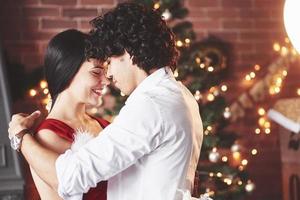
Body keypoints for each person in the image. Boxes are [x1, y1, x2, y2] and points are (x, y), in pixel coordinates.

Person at [8, 2, 203, 200]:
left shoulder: (151, 104)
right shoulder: (181, 94)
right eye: (97, 70)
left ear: (128, 54)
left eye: (110, 61)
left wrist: (20, 135)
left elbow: (70, 177)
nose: (109, 75)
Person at [26, 29, 110, 199]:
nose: (106, 80)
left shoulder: (104, 125)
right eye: (96, 72)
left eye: (106, 72)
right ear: (67, 71)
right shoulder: (48, 136)